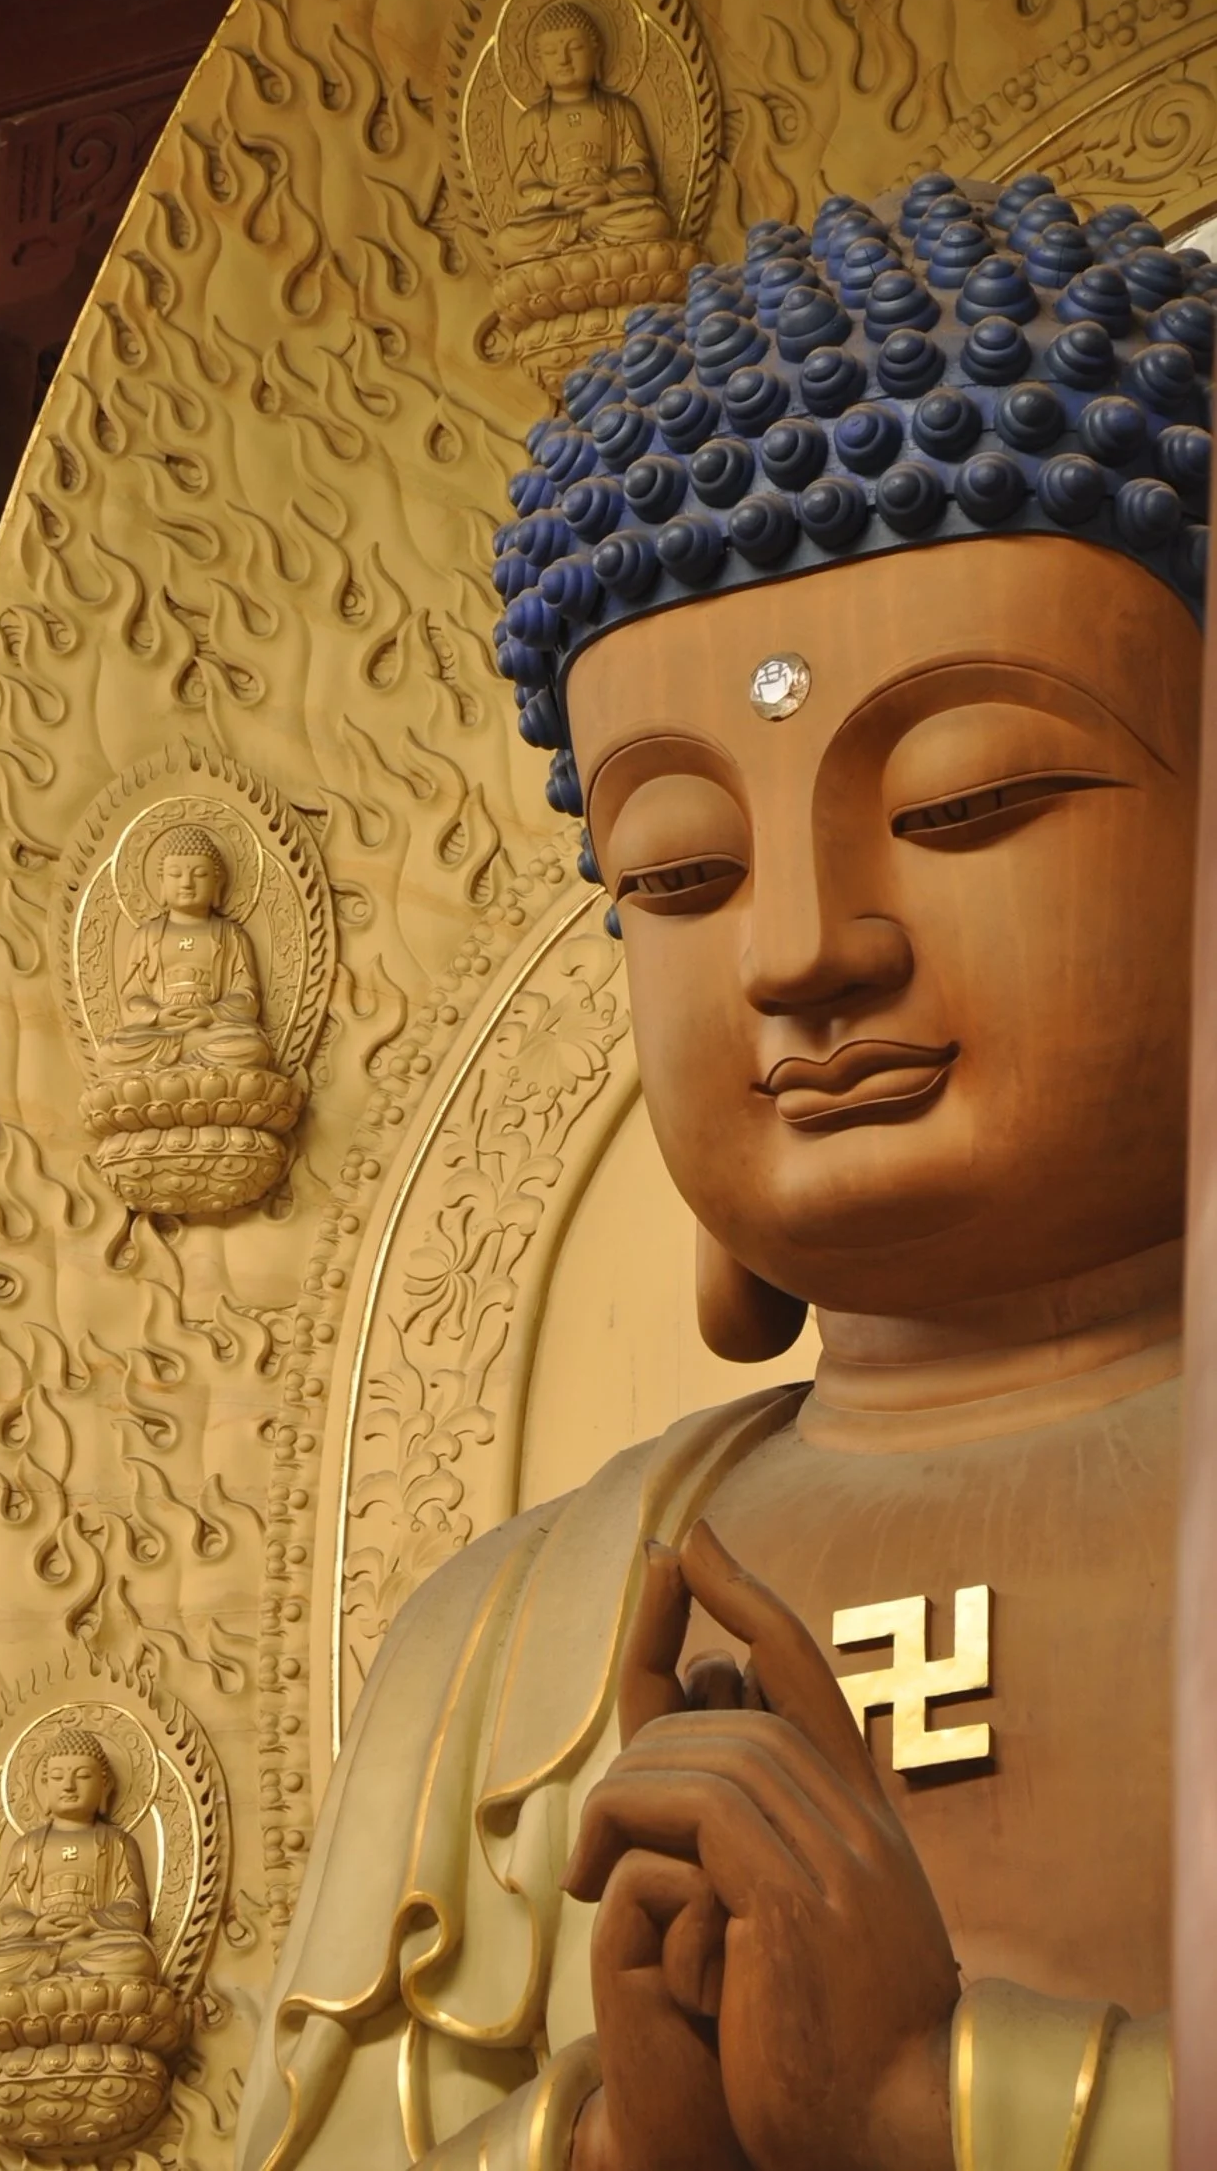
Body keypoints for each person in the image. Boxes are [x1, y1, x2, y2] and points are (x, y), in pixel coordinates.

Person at [237, 172, 1211, 2167]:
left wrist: (930, 2100)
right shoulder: (505, 1643)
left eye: (965, 799)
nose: (801, 948)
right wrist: (621, 2138)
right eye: (681, 872)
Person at [0, 1728, 159, 1984]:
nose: (68, 1786)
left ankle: (60, 1968)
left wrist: (91, 1923)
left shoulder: (118, 1842)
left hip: (94, 1940)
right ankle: (67, 1965)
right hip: (38, 1945)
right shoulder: (27, 1846)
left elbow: (133, 1906)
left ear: (105, 1786)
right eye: (57, 1777)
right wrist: (36, 1926)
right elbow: (8, 1911)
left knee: (137, 1956)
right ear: (45, 1786)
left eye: (83, 1776)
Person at [496, 0, 673, 266]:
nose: (564, 59)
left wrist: (606, 190)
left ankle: (582, 237)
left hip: (610, 210)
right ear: (540, 65)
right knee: (509, 241)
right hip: (557, 220)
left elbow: (641, 173)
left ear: (597, 54)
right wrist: (554, 197)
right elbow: (523, 189)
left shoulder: (620, 110)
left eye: (575, 47)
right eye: (551, 52)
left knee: (653, 219)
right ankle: (588, 234)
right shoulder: (531, 121)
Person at [101, 824, 272, 1072]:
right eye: (175, 874)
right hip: (160, 1033)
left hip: (214, 1029)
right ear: (161, 882)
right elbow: (132, 997)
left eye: (200, 875)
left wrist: (210, 1015)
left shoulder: (231, 935)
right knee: (112, 1052)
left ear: (217, 883)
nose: (187, 883)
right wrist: (158, 1016)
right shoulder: (147, 936)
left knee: (251, 1047)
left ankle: (187, 1049)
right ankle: (189, 1047)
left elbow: (246, 996)